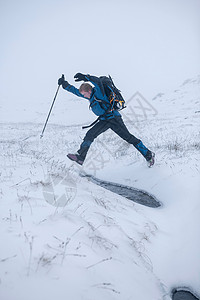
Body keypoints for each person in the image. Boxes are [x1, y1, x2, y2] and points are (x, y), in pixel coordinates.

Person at [58, 73, 155, 167]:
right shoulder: (90, 97)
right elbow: (75, 91)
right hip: (104, 120)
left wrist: (86, 77)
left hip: (114, 119)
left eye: (84, 94)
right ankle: (80, 157)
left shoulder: (99, 93)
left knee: (129, 138)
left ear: (89, 91)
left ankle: (148, 154)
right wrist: (64, 84)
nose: (84, 96)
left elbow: (98, 81)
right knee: (90, 135)